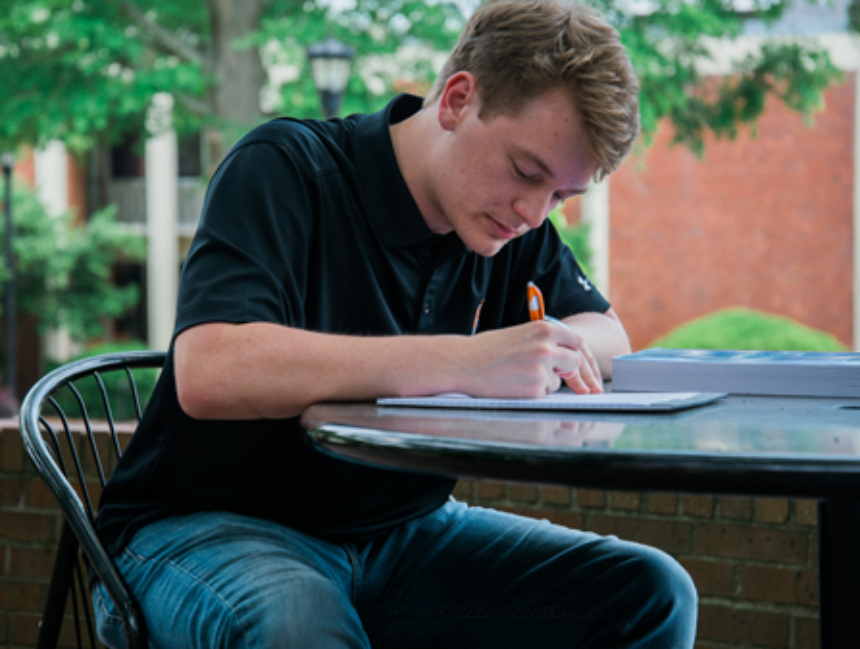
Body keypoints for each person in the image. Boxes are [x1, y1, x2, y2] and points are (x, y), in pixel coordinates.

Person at [93, 0, 698, 646]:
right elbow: (209, 369)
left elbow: (610, 335)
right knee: (298, 625)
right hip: (204, 524)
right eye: (527, 172)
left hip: (402, 532)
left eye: (560, 196)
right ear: (458, 99)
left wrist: (549, 349)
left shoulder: (507, 224)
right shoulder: (286, 170)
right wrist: (467, 362)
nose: (532, 210)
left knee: (651, 594)